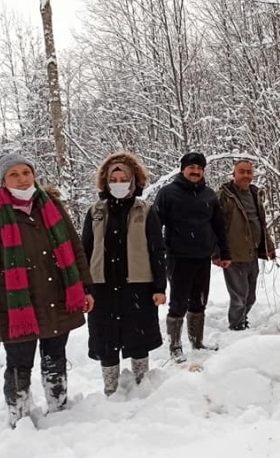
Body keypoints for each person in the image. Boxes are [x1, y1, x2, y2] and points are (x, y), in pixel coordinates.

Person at [0, 153, 95, 427]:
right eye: (14, 174)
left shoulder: (51, 206)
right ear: (2, 181)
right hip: (15, 307)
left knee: (55, 358)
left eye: (26, 172)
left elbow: (74, 249)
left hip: (56, 298)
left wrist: (85, 287)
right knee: (19, 364)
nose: (22, 178)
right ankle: (18, 417)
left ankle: (59, 408)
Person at [82, 152, 166, 395]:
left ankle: (142, 385)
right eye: (113, 179)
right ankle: (111, 388)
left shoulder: (146, 210)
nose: (118, 183)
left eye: (123, 179)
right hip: (102, 286)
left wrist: (160, 287)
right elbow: (85, 250)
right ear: (106, 182)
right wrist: (84, 287)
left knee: (138, 336)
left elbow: (157, 250)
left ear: (133, 181)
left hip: (138, 285)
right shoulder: (95, 211)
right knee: (105, 339)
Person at [154, 152, 231, 362]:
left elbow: (219, 227)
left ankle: (196, 342)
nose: (196, 171)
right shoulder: (167, 193)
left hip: (202, 257)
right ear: (183, 169)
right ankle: (175, 346)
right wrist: (157, 252)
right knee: (178, 303)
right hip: (178, 257)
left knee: (199, 302)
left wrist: (224, 252)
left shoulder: (209, 195)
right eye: (191, 168)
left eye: (199, 168)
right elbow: (154, 226)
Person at [217, 160, 276, 331]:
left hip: (252, 253)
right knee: (239, 295)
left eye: (249, 172)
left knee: (250, 296)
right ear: (233, 174)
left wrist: (268, 246)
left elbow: (261, 223)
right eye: (241, 172)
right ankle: (236, 326)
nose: (246, 175)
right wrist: (218, 253)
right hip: (233, 255)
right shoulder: (224, 196)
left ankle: (242, 319)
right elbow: (215, 226)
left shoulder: (254, 194)